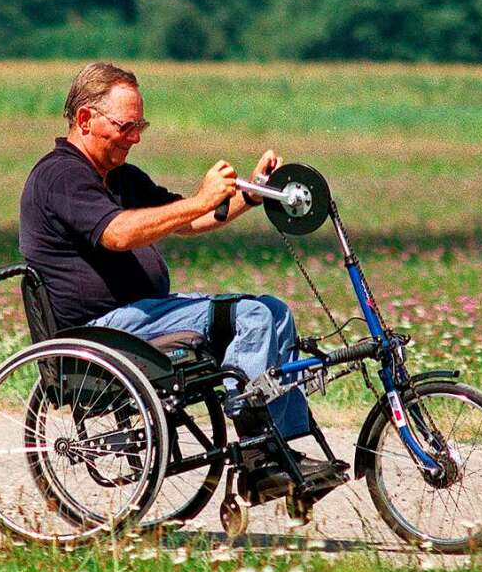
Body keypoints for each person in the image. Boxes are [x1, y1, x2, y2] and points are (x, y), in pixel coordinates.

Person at [20, 62, 322, 467]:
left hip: (141, 319)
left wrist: (253, 194)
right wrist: (199, 199)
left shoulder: (120, 177)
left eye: (139, 127)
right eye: (126, 127)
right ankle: (261, 452)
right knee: (255, 315)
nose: (134, 139)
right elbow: (118, 233)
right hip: (104, 334)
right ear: (85, 119)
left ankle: (282, 444)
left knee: (274, 313)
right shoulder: (61, 176)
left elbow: (188, 218)